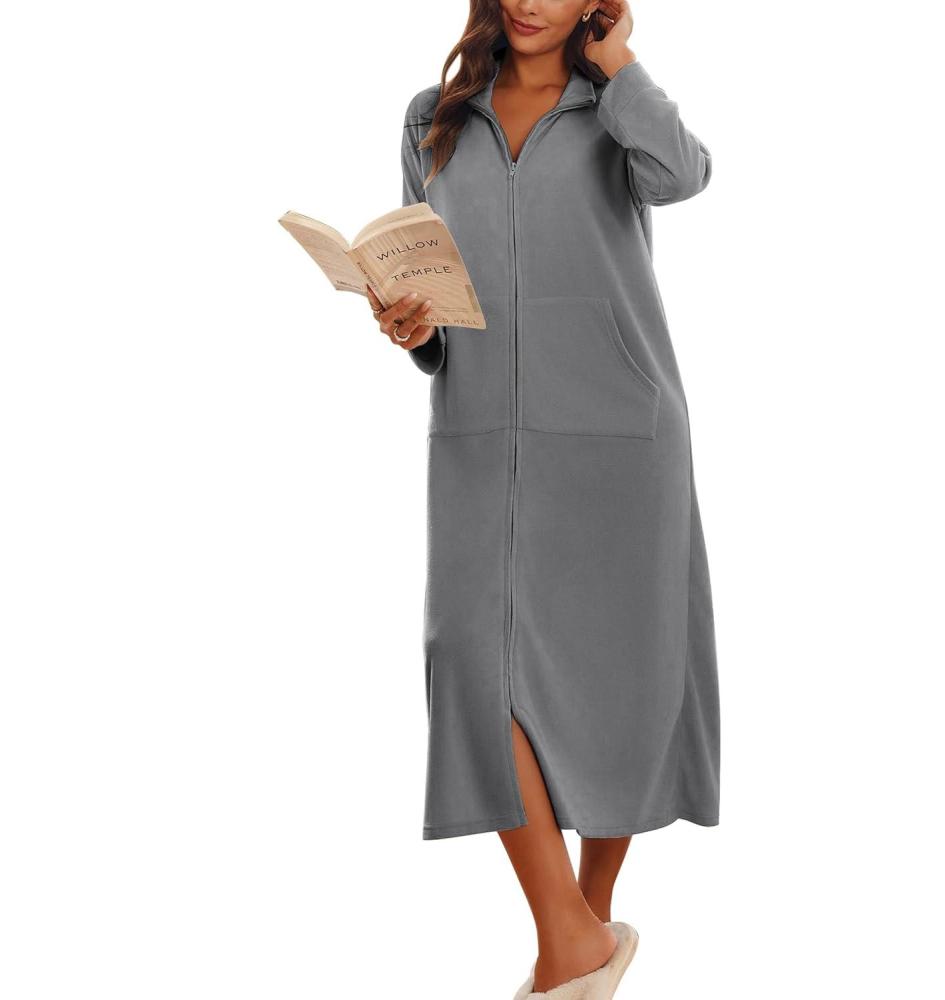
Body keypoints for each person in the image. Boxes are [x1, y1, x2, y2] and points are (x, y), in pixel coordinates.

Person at [367, 2, 719, 996]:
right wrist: (410, 326)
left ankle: (582, 929)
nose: (531, 1)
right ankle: (571, 936)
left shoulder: (616, 107)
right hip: (479, 436)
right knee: (470, 663)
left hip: (621, 438)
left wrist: (621, 68)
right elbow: (431, 297)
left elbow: (683, 175)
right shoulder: (431, 117)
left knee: (621, 679)